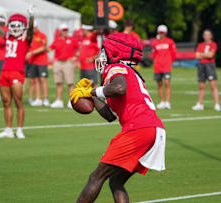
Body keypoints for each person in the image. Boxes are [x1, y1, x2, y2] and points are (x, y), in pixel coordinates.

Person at [70, 33, 166, 203]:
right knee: (116, 181)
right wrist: (92, 95)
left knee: (96, 177)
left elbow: (119, 88)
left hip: (138, 129)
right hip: (153, 130)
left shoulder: (115, 68)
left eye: (104, 51)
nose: (101, 55)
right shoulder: (129, 72)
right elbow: (109, 115)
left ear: (114, 53)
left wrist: (93, 91)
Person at [0, 2, 34, 139]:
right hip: (5, 71)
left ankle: (20, 129)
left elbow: (31, 30)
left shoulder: (25, 38)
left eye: (18, 26)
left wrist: (31, 16)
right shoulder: (7, 36)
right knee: (6, 102)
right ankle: (8, 129)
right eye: (13, 26)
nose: (15, 28)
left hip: (17, 72)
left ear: (23, 27)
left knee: (18, 101)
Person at [47, 24, 79, 108]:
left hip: (68, 62)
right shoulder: (56, 40)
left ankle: (71, 101)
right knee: (59, 82)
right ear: (60, 31)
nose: (65, 31)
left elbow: (79, 48)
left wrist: (75, 57)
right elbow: (49, 49)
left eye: (66, 30)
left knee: (70, 83)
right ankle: (59, 101)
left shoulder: (72, 39)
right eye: (64, 30)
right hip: (58, 62)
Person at [192, 29, 220, 111]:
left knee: (213, 85)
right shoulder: (200, 44)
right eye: (205, 35)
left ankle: (217, 104)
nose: (206, 36)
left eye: (208, 35)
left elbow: (211, 55)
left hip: (210, 66)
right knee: (201, 86)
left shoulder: (213, 44)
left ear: (211, 36)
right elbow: (197, 56)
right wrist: (205, 55)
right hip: (201, 66)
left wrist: (202, 54)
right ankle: (200, 104)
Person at [25, 21, 50, 106]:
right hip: (32, 61)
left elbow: (44, 47)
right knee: (34, 80)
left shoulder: (42, 36)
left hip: (41, 61)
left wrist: (32, 53)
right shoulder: (29, 36)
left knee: (43, 80)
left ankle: (46, 99)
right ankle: (38, 98)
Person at [152, 25, 177, 109]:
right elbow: (154, 55)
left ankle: (167, 102)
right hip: (158, 67)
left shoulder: (170, 42)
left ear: (165, 33)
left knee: (167, 83)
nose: (161, 34)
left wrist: (169, 62)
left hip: (166, 67)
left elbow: (174, 54)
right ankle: (162, 101)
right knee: (159, 84)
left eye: (162, 33)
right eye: (160, 33)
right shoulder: (155, 43)